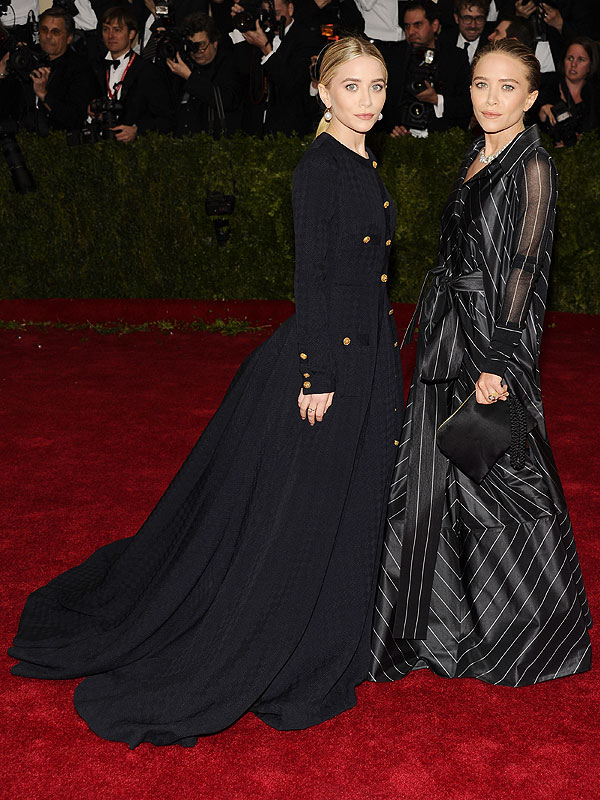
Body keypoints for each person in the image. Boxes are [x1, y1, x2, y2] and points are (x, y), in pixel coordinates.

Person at [8, 35, 403, 748]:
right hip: (333, 366)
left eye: (377, 87)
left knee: (347, 507)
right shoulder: (320, 168)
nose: (368, 101)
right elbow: (311, 278)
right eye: (353, 87)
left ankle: (329, 645)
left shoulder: (360, 158)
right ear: (322, 91)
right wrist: (318, 376)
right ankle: (284, 653)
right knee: (302, 516)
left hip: (369, 359)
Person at [371, 37, 592, 686]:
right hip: (449, 335)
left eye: (506, 88)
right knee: (426, 483)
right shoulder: (477, 151)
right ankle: (431, 633)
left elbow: (526, 267)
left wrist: (500, 359)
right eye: (480, 85)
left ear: (531, 98)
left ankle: (531, 638)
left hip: (494, 346)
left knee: (500, 485)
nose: (491, 99)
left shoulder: (534, 166)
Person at [230, 0, 321, 136]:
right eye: (267, 14)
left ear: (290, 8)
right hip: (254, 130)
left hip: (289, 132)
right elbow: (243, 74)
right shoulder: (260, 33)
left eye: (277, 13)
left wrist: (267, 50)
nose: (272, 19)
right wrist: (243, 28)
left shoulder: (307, 38)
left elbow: (293, 85)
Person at [383, 0, 472, 137]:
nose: (411, 32)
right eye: (407, 26)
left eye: (418, 25)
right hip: (399, 139)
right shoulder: (394, 56)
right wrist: (393, 128)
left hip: (442, 140)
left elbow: (466, 104)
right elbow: (384, 101)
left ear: (434, 25)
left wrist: (436, 99)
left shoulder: (455, 58)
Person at [91, 6, 173, 142]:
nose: (110, 36)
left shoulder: (148, 71)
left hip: (136, 153)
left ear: (131, 34)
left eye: (117, 30)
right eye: (106, 30)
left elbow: (166, 119)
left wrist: (137, 130)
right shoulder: (95, 67)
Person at [14, 7, 97, 133]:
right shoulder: (27, 57)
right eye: (44, 30)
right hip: (21, 138)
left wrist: (43, 94)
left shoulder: (80, 68)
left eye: (55, 32)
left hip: (59, 143)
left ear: (69, 38)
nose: (48, 36)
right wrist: (3, 68)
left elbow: (74, 118)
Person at [166, 11, 243, 137]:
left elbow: (227, 101)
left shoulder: (229, 65)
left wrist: (189, 77)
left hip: (214, 146)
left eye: (201, 45)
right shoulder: (183, 65)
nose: (197, 51)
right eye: (192, 46)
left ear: (215, 42)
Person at [538, 36, 599, 146]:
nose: (573, 64)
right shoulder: (546, 88)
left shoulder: (595, 97)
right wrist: (541, 114)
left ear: (590, 66)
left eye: (581, 59)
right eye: (570, 58)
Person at [438, 0, 491, 65]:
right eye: (467, 18)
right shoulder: (443, 42)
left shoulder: (492, 45)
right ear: (457, 18)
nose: (473, 25)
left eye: (479, 18)